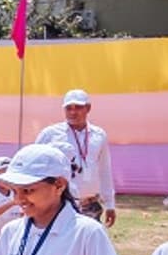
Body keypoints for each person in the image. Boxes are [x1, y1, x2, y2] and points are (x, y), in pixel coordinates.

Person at [35, 89, 116, 226]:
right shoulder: (50, 134)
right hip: (61, 204)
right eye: (68, 108)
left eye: (78, 107)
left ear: (88, 108)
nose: (73, 112)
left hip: (90, 204)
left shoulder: (99, 135)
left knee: (88, 245)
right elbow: (34, 166)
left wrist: (110, 204)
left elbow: (104, 170)